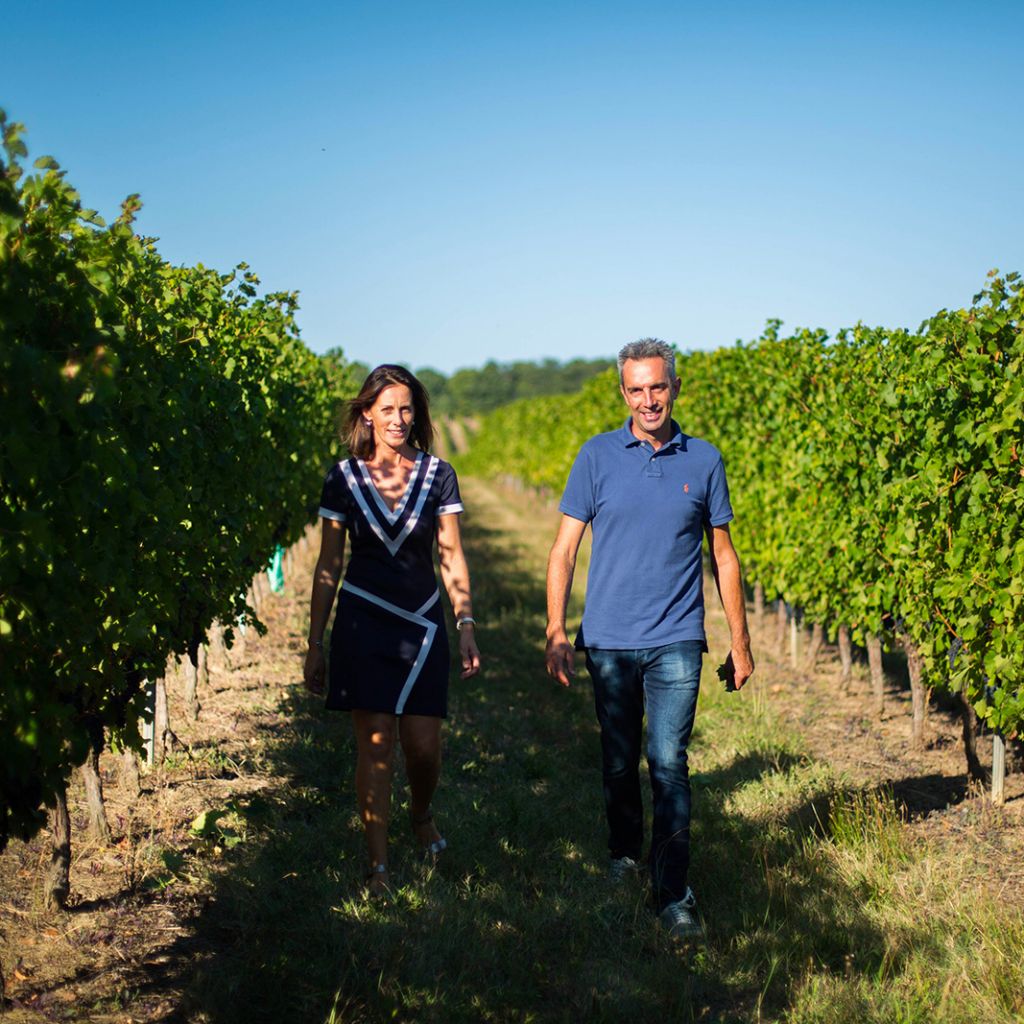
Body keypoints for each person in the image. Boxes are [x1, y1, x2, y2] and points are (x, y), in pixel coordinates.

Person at [545, 338, 754, 940]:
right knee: (618, 762)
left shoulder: (704, 460)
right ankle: (623, 856)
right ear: (623, 393)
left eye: (657, 387)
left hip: (678, 639)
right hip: (607, 640)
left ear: (675, 388)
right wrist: (556, 630)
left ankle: (673, 894)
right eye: (636, 389)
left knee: (667, 762)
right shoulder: (596, 457)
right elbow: (563, 549)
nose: (647, 399)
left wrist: (739, 643)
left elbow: (724, 556)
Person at [304, 364, 481, 895]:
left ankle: (420, 813)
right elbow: (328, 564)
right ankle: (377, 866)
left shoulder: (437, 474)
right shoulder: (342, 478)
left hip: (424, 623)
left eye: (406, 408)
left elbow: (451, 554)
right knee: (376, 746)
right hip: (361, 623)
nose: (399, 419)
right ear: (367, 414)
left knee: (423, 748)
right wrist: (315, 643)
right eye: (387, 410)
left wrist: (465, 622)